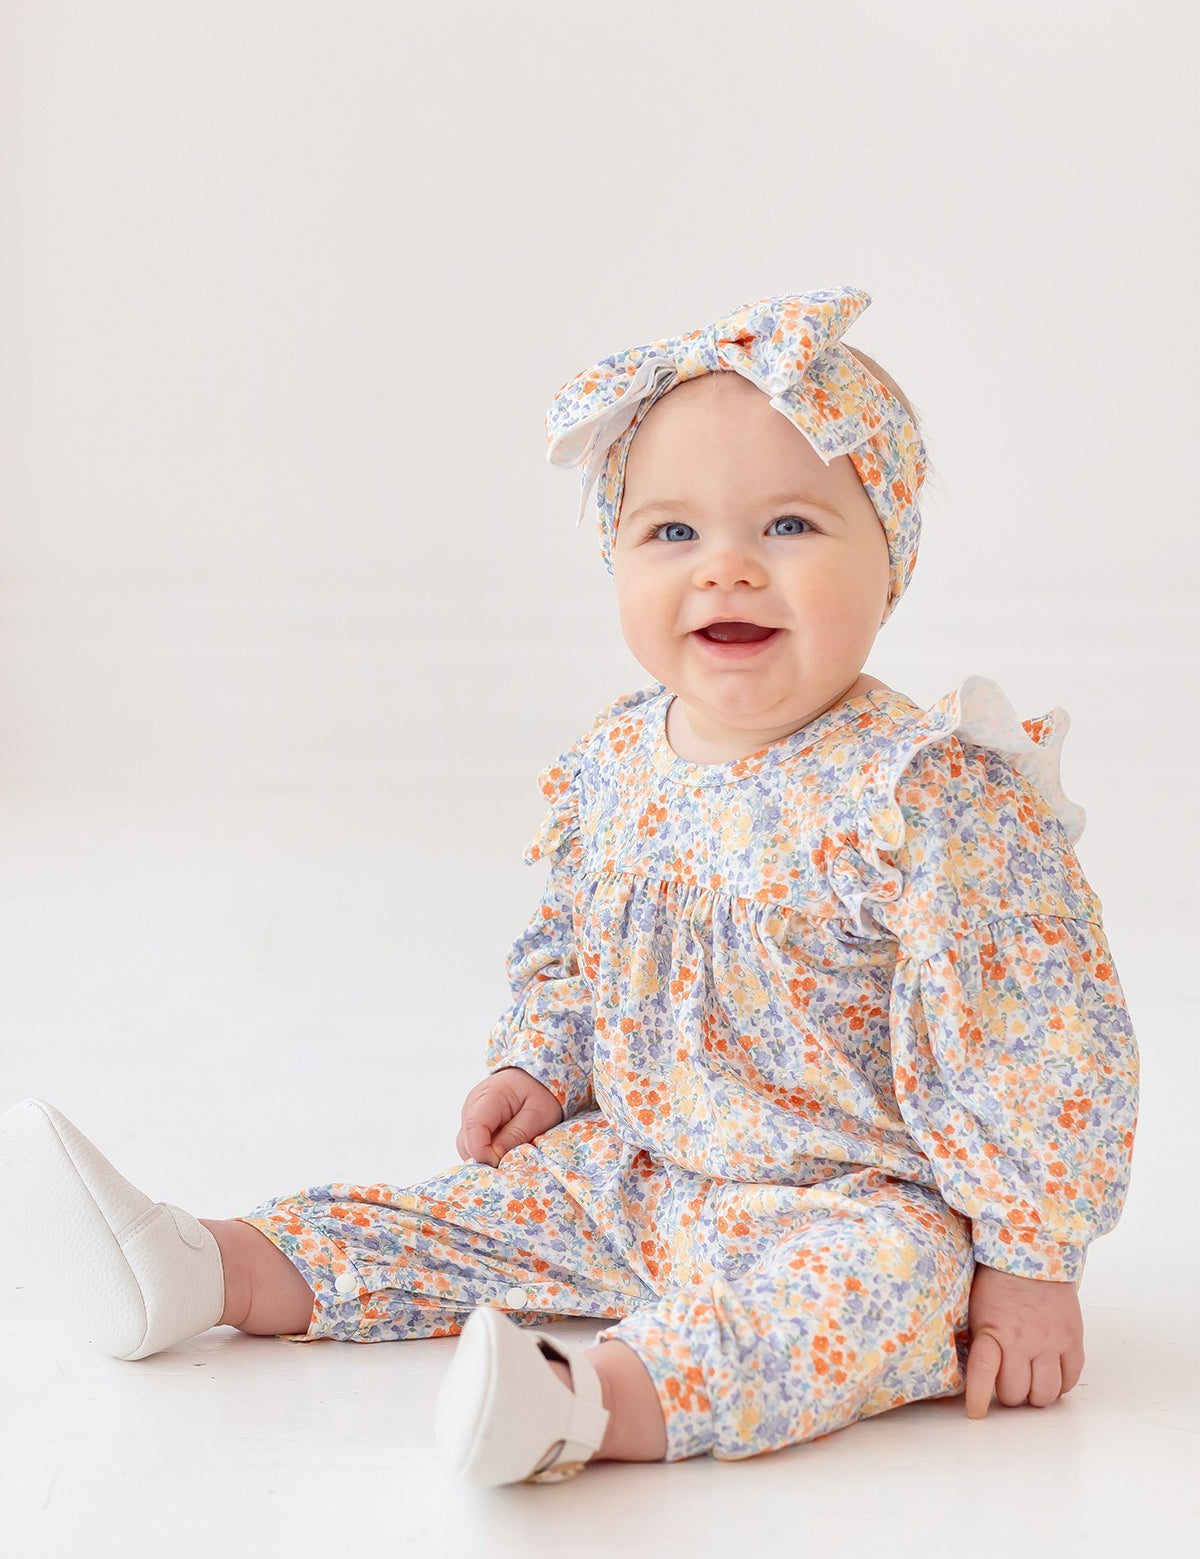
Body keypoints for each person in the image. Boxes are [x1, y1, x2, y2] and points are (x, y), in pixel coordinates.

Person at [0, 286, 1139, 1487]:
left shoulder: (924, 793)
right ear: (616, 552)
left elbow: (1035, 1036)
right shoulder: (619, 759)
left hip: (854, 1199)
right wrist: (541, 1061)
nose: (730, 569)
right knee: (472, 1215)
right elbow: (574, 943)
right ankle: (208, 1265)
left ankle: (578, 1402)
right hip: (640, 1166)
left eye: (793, 526)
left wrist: (1030, 1255)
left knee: (861, 1303)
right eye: (672, 533)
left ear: (891, 556)